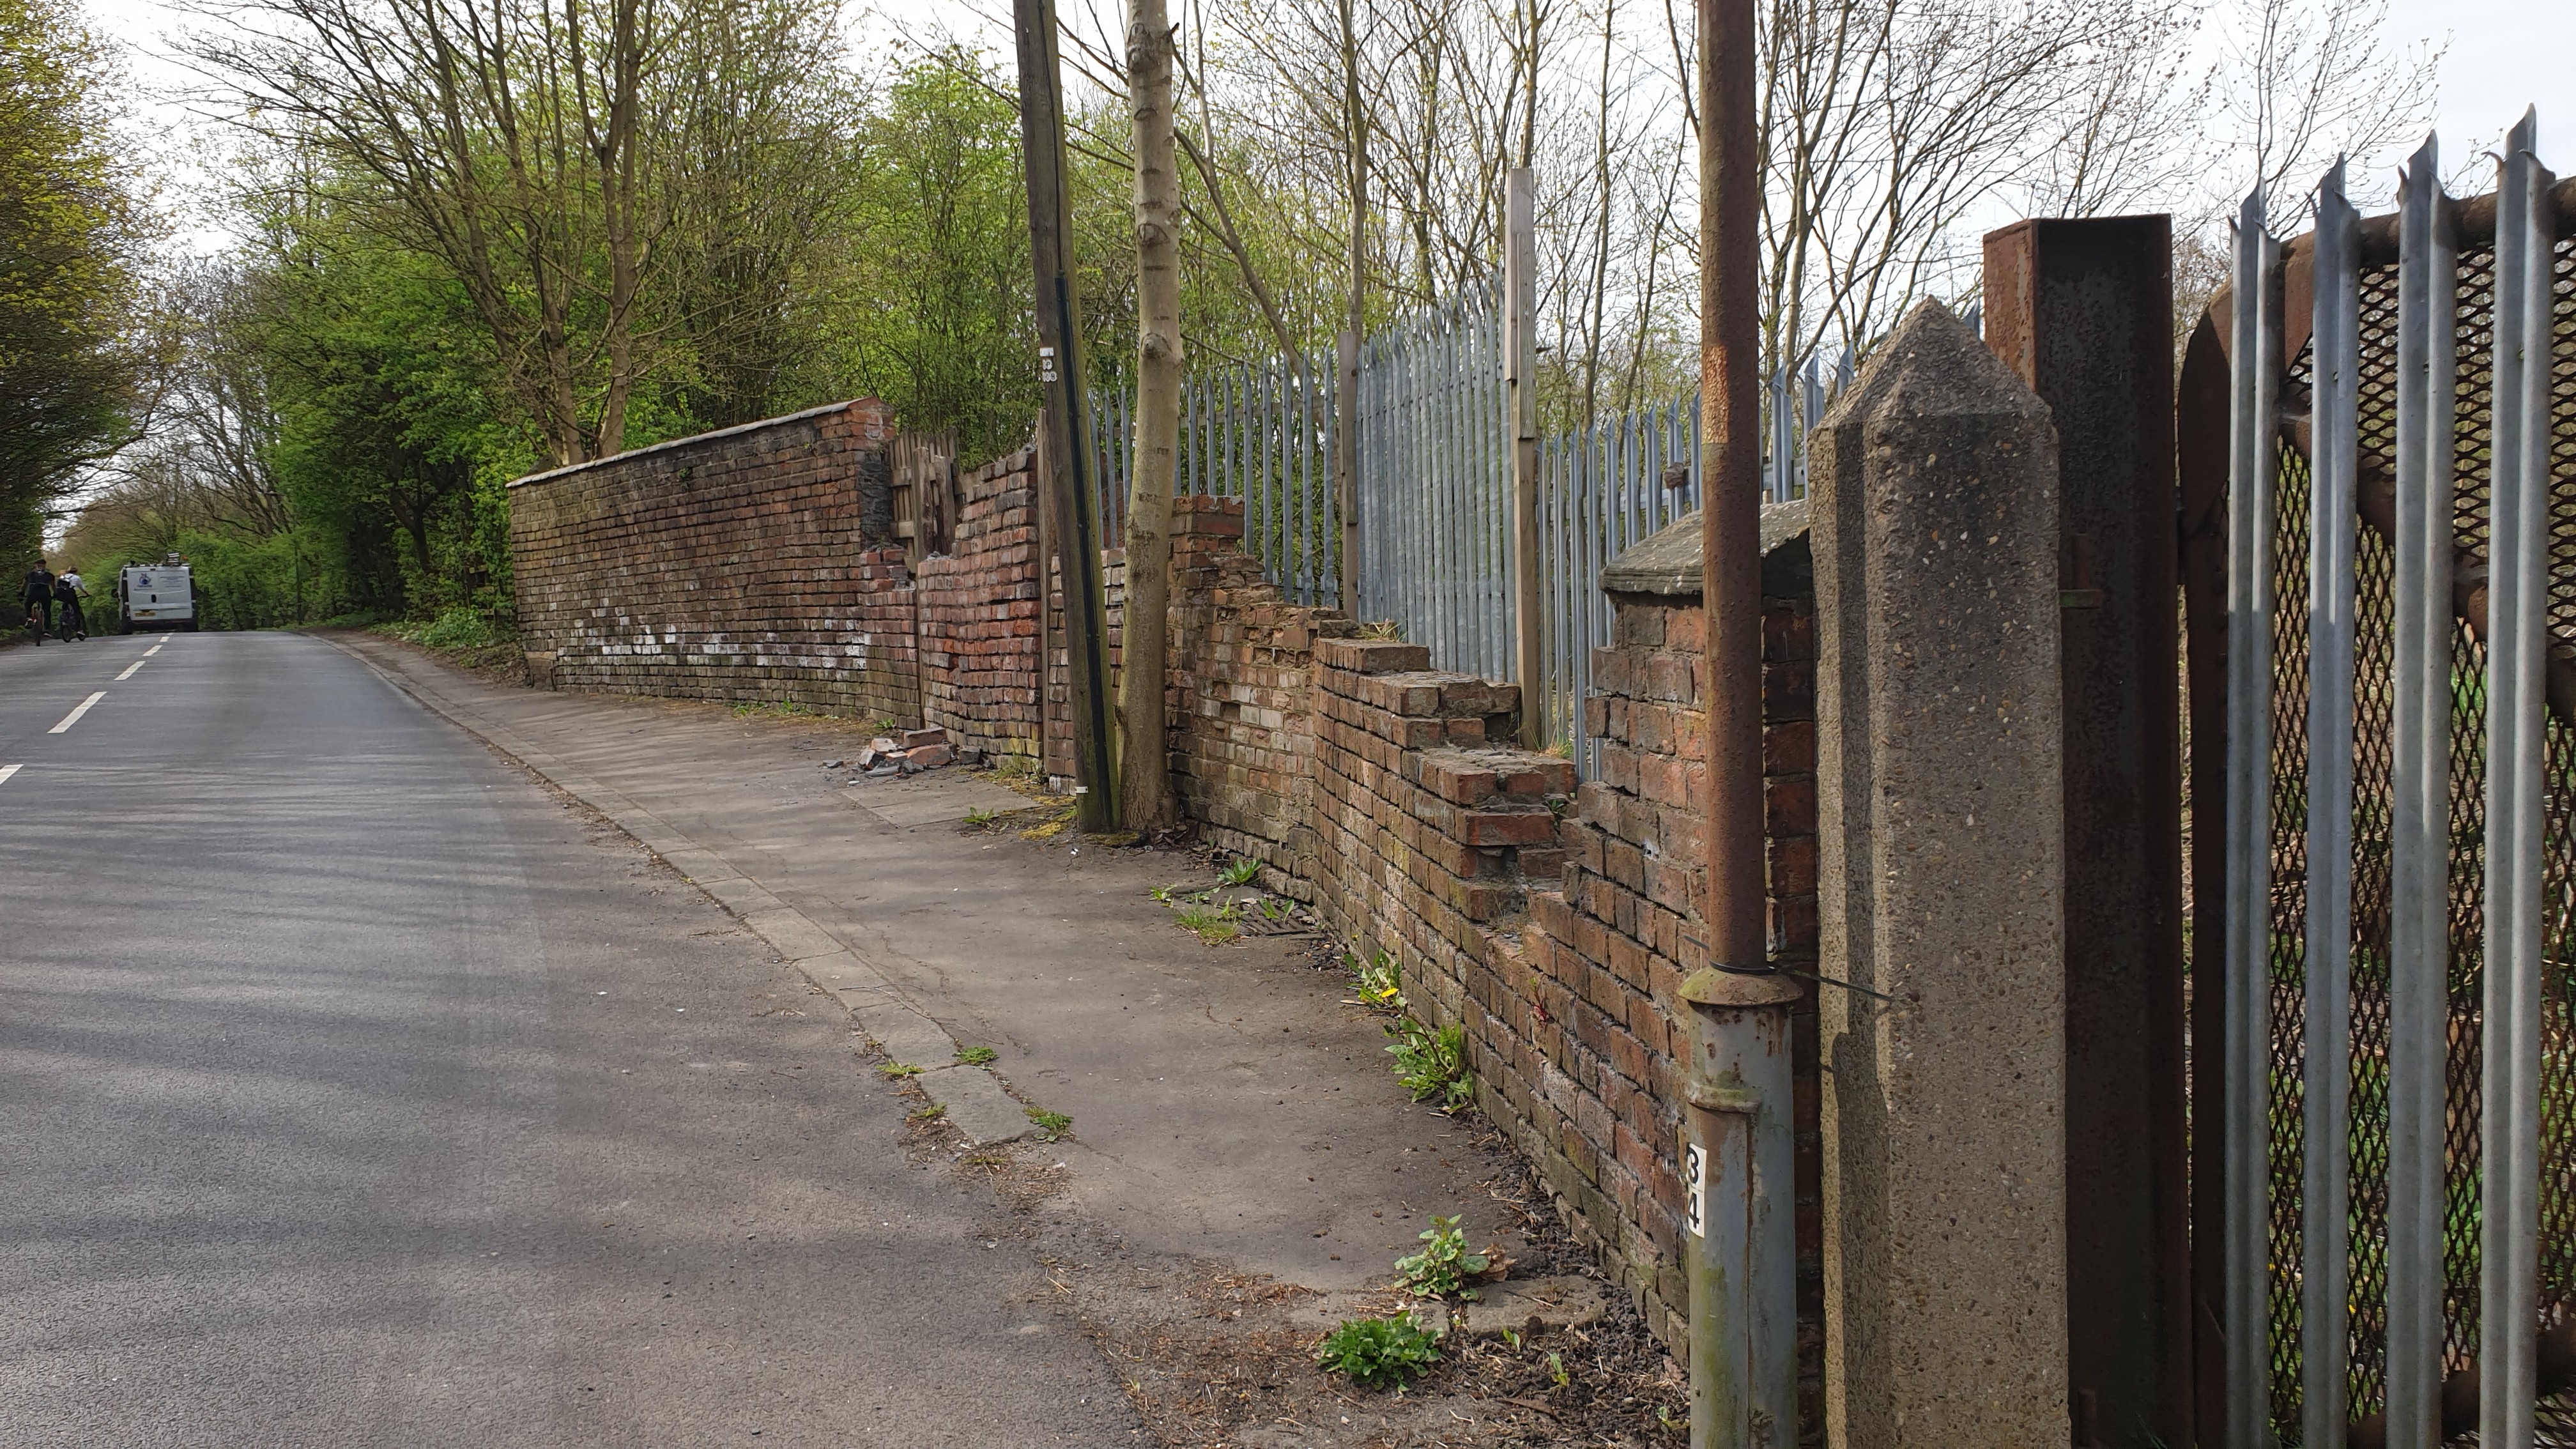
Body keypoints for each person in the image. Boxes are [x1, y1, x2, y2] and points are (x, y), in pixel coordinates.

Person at [20, 560, 54, 643]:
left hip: (33, 593)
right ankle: (47, 629)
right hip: (45, 594)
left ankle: (29, 619)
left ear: (36, 566)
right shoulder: (49, 575)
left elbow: (24, 584)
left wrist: (21, 593)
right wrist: (55, 594)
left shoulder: (30, 574)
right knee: (47, 610)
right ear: (44, 565)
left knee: (28, 604)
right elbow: (53, 586)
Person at [52, 568, 86, 640]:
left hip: (61, 595)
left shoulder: (63, 577)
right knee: (77, 610)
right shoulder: (77, 578)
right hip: (70, 594)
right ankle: (79, 629)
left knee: (65, 605)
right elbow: (82, 588)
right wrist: (86, 594)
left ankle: (64, 617)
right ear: (76, 572)